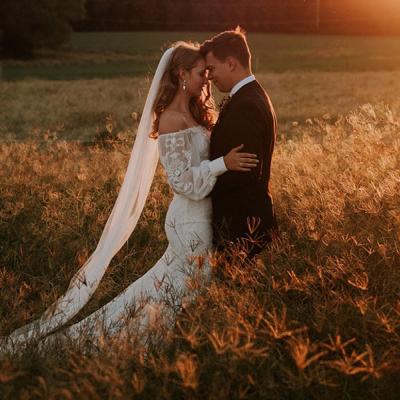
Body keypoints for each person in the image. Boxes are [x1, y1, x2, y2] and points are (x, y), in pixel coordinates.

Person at [0, 41, 258, 354]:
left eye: (207, 72)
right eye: (200, 72)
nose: (206, 79)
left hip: (201, 215)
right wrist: (223, 164)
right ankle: (139, 347)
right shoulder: (169, 120)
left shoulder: (194, 113)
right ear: (181, 74)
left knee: (170, 288)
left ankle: (159, 344)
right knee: (187, 288)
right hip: (190, 217)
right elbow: (181, 182)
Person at [200, 27, 278, 260]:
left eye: (212, 68)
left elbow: (245, 173)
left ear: (231, 63)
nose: (209, 76)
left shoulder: (246, 105)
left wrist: (199, 182)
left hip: (243, 227)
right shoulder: (252, 96)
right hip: (244, 223)